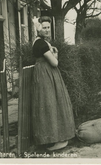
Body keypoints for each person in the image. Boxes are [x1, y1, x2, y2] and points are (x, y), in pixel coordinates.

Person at [31, 16, 75, 151]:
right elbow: (54, 63)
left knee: (52, 103)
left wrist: (53, 53)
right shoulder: (41, 44)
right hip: (46, 75)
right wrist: (56, 54)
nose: (47, 30)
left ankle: (57, 138)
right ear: (38, 29)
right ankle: (55, 138)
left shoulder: (39, 42)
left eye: (48, 27)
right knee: (50, 104)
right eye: (44, 27)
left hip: (46, 74)